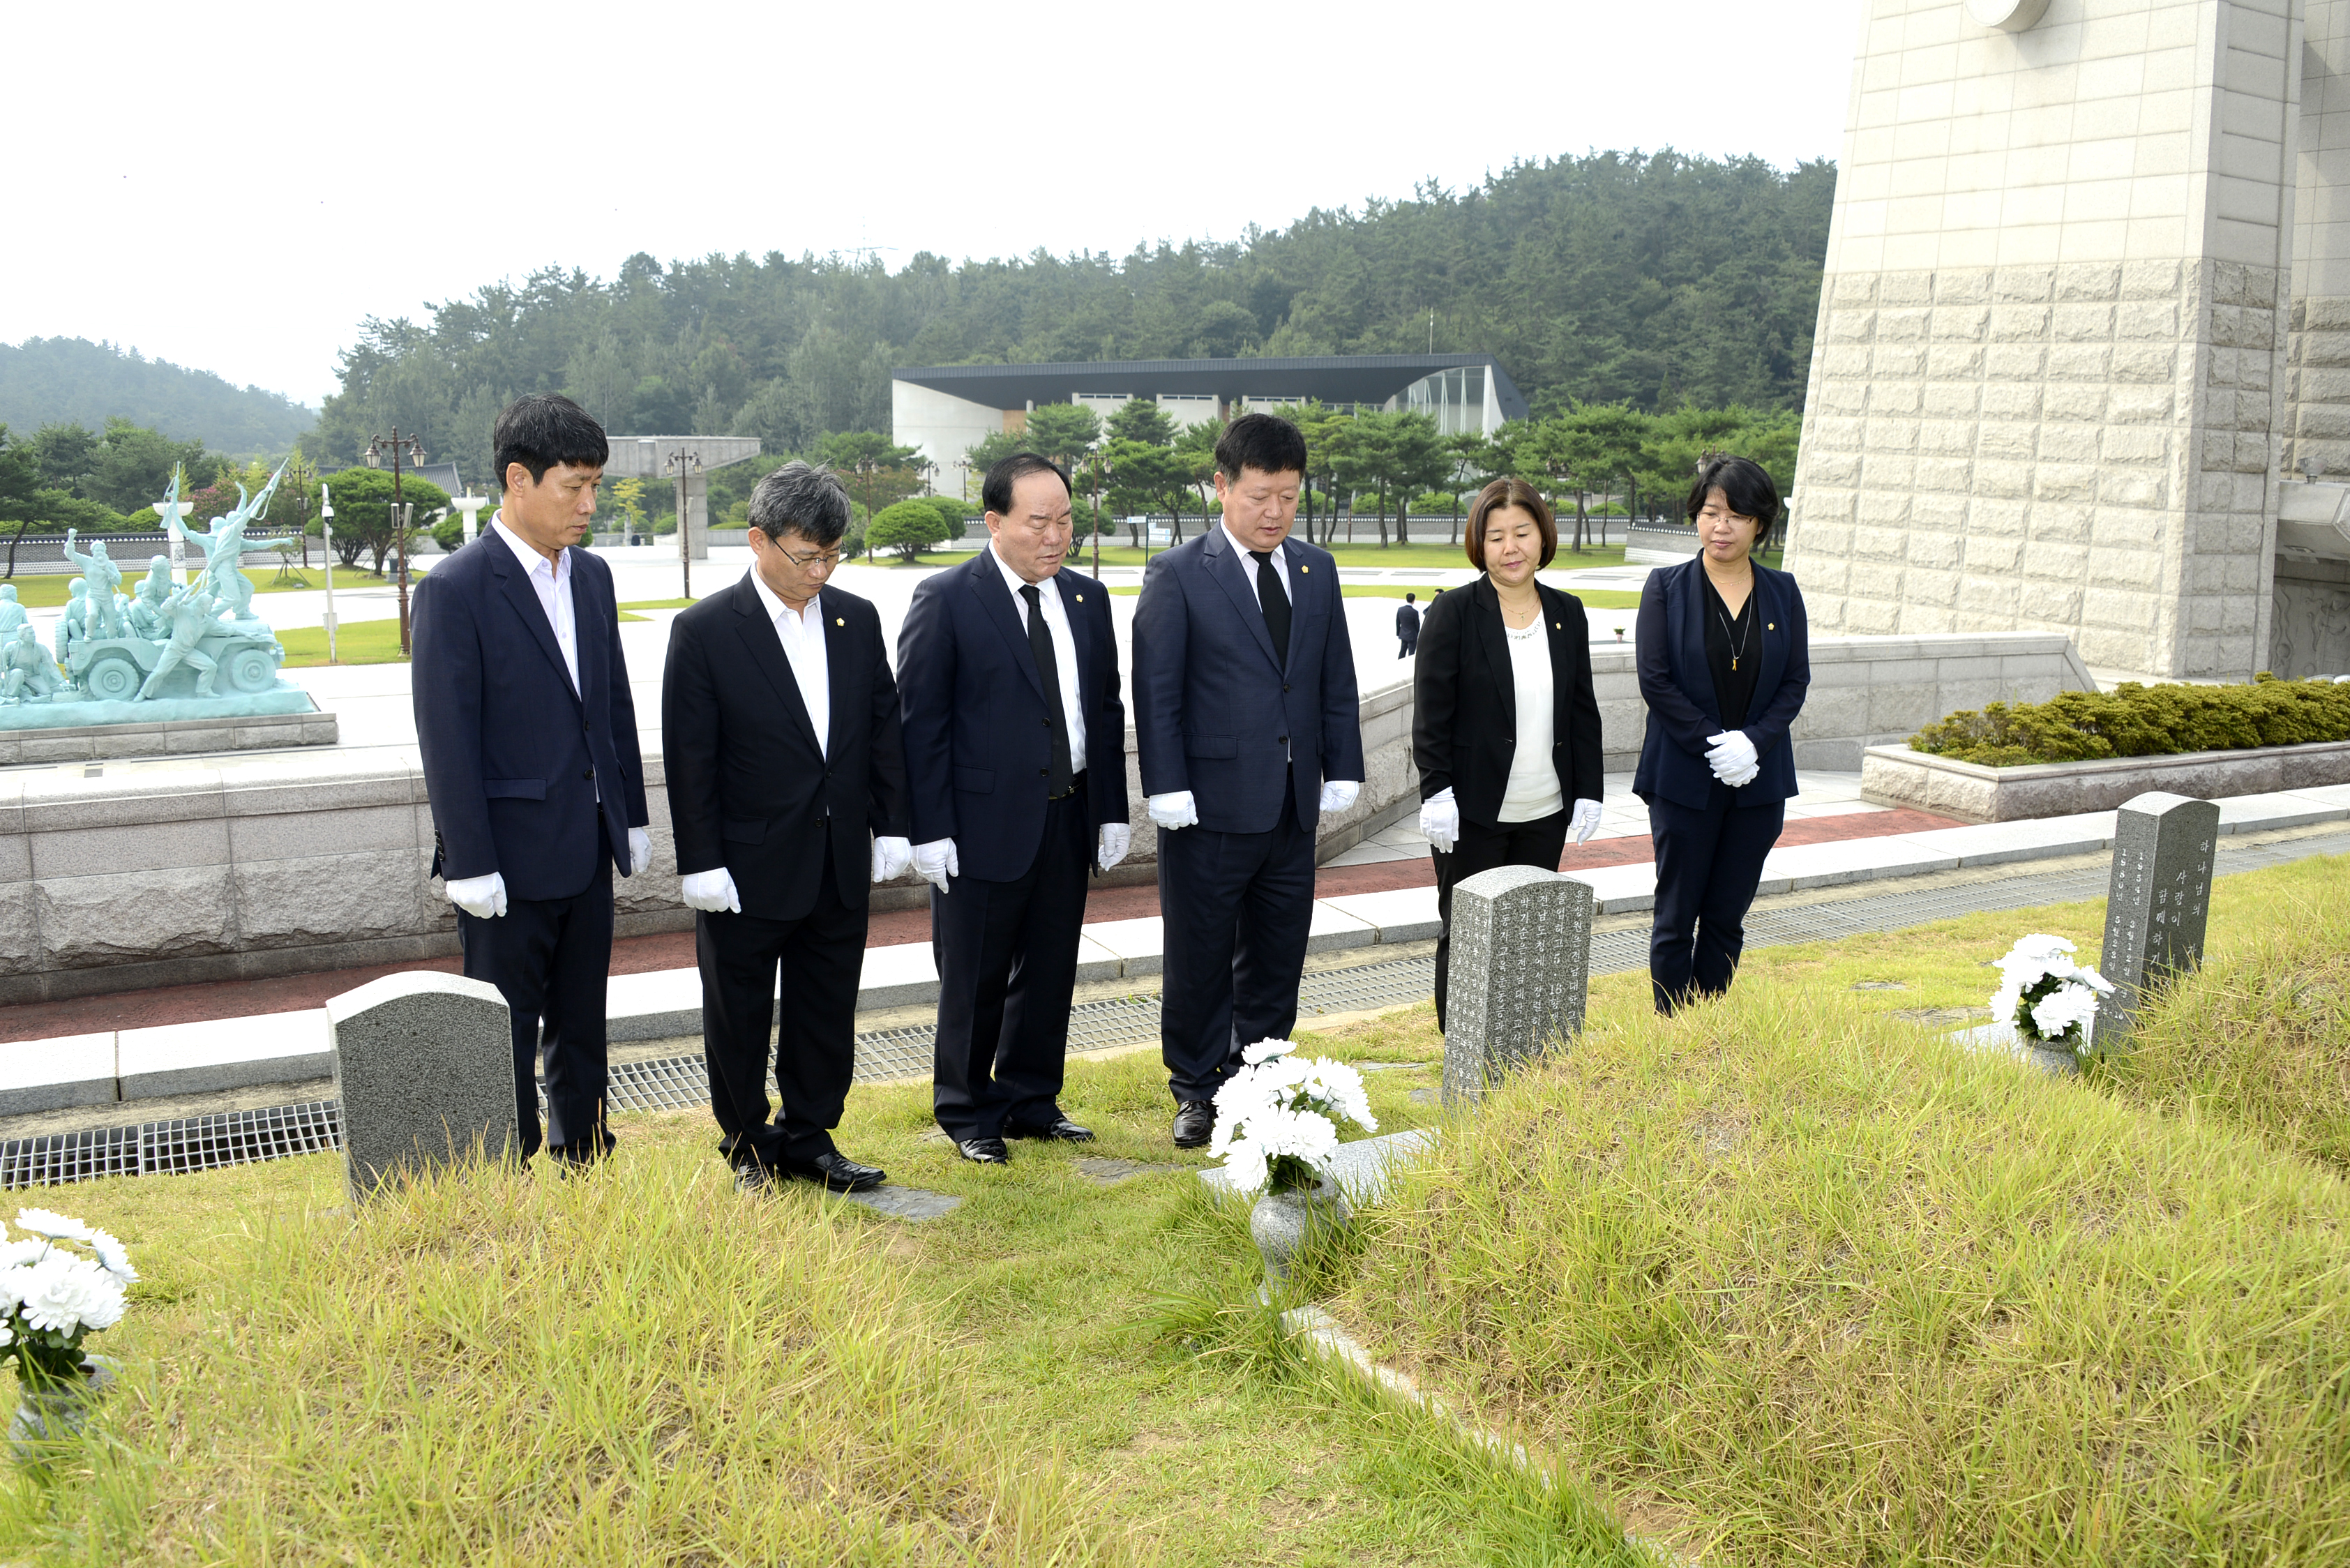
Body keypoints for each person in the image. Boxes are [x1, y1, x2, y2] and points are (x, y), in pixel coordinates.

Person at [411, 393, 653, 1166]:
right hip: (506, 860)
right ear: (519, 479)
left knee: (583, 1018)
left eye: (595, 487)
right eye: (573, 486)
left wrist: (631, 814)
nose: (589, 505)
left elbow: (612, 705)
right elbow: (447, 739)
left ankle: (585, 1152)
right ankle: (503, 1168)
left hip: (587, 845)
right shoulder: (455, 588)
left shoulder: (593, 577)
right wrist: (469, 861)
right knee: (505, 1027)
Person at [663, 462, 912, 1194]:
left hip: (837, 857)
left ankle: (811, 1135)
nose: (820, 571)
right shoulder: (705, 631)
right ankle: (747, 1141)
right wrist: (700, 860)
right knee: (738, 1013)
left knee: (826, 1006)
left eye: (833, 555)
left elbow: (883, 730)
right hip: (747, 866)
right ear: (758, 540)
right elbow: (690, 757)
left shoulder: (855, 619)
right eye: (807, 556)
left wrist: (894, 823)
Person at [1131, 412, 1364, 1148]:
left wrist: (1343, 765)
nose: (1275, 512)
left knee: (1277, 952)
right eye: (1261, 496)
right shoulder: (1178, 573)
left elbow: (1333, 676)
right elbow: (1156, 690)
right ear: (1222, 486)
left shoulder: (1315, 569)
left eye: (1289, 497)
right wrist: (1164, 784)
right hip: (1207, 806)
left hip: (1292, 805)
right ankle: (1196, 1088)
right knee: (1199, 954)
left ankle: (1259, 1080)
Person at [896, 453, 1131, 1166]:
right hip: (979, 826)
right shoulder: (946, 597)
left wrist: (1112, 809)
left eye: (1065, 520)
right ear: (994, 522)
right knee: (975, 975)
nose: (1055, 536)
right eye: (1038, 522)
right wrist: (929, 829)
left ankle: (1031, 1098)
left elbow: (1104, 710)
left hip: (1068, 813)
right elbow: (920, 725)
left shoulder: (1087, 599)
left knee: (1051, 968)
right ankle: (968, 1110)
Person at [1413, 479, 1605, 1030]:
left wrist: (1588, 790)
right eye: (1495, 537)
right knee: (1467, 935)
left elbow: (1581, 709)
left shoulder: (1567, 612)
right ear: (1479, 544)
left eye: (1521, 532)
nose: (1510, 547)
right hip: (1471, 812)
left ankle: (1522, 1049)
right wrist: (1436, 791)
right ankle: (1462, 1051)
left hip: (1544, 810)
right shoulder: (1453, 611)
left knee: (1530, 933)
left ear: (1542, 536)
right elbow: (1431, 713)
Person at [1634, 454, 1809, 1013]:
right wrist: (1715, 744)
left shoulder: (1782, 590)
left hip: (1759, 782)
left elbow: (1795, 681)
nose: (1721, 526)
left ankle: (1707, 1022)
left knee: (1727, 914)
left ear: (1760, 523)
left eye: (1736, 515)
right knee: (1675, 913)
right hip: (1683, 778)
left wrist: (1753, 742)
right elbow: (1655, 679)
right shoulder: (1666, 587)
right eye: (1710, 513)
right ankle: (1670, 1025)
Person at [137, 583, 223, 699]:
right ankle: (143, 694)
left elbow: (223, 629)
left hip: (189, 651)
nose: (212, 607)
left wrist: (245, 633)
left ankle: (203, 691)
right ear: (202, 605)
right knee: (160, 672)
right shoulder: (183, 612)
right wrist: (185, 591)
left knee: (210, 666)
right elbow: (165, 607)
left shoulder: (207, 621)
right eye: (210, 604)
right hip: (174, 649)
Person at [0, 626, 62, 704]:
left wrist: (63, 682)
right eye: (30, 633)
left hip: (31, 676)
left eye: (34, 633)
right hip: (14, 676)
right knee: (18, 672)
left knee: (47, 693)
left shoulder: (41, 648)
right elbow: (1, 665)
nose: (34, 635)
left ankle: (28, 694)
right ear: (22, 636)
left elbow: (51, 666)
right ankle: (12, 696)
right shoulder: (10, 647)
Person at [1396, 591, 1420, 657]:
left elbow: (1398, 622)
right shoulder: (1414, 612)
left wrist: (1398, 633)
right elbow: (1417, 625)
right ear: (1414, 600)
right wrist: (1417, 634)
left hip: (1403, 634)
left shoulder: (1400, 610)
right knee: (1411, 654)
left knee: (1402, 652)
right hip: (1412, 635)